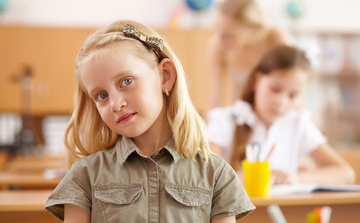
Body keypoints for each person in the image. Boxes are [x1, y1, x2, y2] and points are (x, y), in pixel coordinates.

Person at [44, 20, 255, 222]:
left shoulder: (217, 175)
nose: (115, 104)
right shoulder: (84, 175)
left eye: (126, 81)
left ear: (165, 76)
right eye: (101, 95)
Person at [207, 45, 355, 185]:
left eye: (292, 95)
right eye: (275, 89)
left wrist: (297, 177)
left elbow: (346, 174)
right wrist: (239, 178)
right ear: (255, 81)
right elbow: (202, 171)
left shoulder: (297, 123)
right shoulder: (225, 119)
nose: (281, 102)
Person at [207, 0, 289, 110]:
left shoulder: (275, 39)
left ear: (253, 29)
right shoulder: (217, 46)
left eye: (228, 35)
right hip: (241, 113)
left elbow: (293, 85)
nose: (219, 39)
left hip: (274, 111)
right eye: (217, 29)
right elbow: (215, 96)